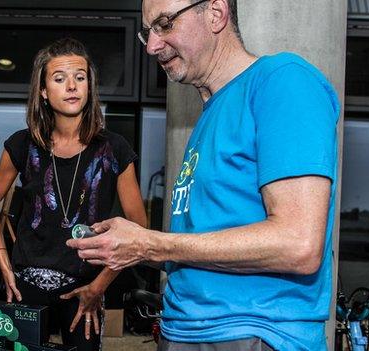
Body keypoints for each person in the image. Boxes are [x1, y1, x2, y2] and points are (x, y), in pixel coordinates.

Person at [67, 1, 340, 350]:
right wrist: (131, 244)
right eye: (147, 32)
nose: (152, 46)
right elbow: (207, 243)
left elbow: (299, 244)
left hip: (249, 333)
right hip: (184, 331)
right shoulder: (211, 112)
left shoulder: (283, 80)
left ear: (215, 13)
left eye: (165, 24)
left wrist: (148, 244)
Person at [0, 37, 147, 351]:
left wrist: (99, 287)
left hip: (86, 287)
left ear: (89, 86)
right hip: (24, 286)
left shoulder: (114, 149)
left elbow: (138, 228)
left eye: (79, 77)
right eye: (59, 79)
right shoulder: (22, 144)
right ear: (43, 91)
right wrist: (2, 263)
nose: (71, 85)